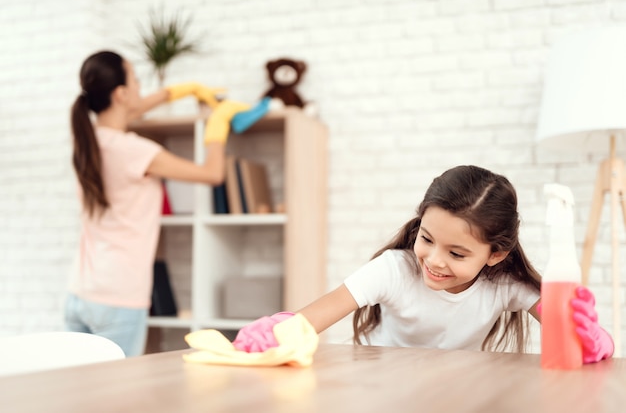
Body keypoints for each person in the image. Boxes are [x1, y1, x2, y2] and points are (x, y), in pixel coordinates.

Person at [232, 165, 614, 363]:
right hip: (376, 386)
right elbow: (310, 320)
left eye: (457, 253)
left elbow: (574, 341)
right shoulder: (394, 271)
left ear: (495, 255)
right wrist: (279, 329)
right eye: (426, 238)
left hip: (450, 391)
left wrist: (596, 340)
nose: (433, 260)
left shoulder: (506, 284)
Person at [65, 50, 267, 357]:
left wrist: (182, 90)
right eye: (134, 79)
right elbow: (212, 174)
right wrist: (218, 125)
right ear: (120, 94)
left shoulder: (86, 139)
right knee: (117, 399)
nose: (139, 88)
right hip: (119, 297)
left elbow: (133, 109)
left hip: (80, 293)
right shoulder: (136, 151)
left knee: (77, 396)